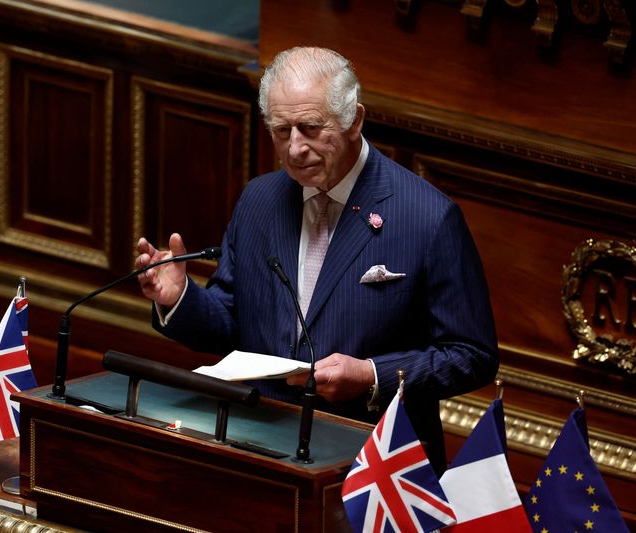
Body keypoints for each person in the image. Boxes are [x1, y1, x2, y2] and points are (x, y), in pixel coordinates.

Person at [135, 46, 498, 473]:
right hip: (262, 447)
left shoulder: (427, 217)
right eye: (281, 130)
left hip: (371, 464)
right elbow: (232, 323)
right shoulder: (259, 200)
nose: (294, 149)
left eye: (309, 128)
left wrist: (371, 376)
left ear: (354, 120)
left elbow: (472, 355)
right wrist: (180, 298)